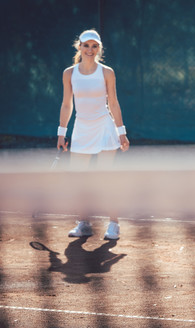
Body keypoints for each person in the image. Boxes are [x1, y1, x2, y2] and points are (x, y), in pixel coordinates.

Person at [56, 29, 130, 240]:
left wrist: (121, 133)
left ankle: (114, 224)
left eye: (94, 46)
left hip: (105, 128)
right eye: (86, 45)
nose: (90, 50)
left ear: (99, 49)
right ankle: (83, 223)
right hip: (81, 129)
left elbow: (113, 103)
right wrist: (62, 133)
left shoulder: (107, 72)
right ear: (79, 47)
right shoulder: (69, 73)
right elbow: (66, 104)